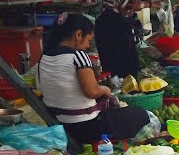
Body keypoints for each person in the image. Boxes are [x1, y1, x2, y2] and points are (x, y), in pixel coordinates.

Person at [36, 13, 150, 147]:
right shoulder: (78, 56)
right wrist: (105, 90)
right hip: (86, 126)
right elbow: (92, 92)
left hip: (60, 123)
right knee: (141, 114)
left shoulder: (44, 58)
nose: (88, 45)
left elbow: (45, 88)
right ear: (78, 34)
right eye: (88, 40)